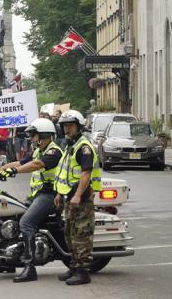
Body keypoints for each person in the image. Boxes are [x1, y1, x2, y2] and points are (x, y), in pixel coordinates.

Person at [0, 118, 63, 282]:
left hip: (50, 196)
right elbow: (20, 162)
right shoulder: (37, 150)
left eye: (33, 135)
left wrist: (13, 171)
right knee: (11, 213)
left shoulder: (54, 152)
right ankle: (7, 260)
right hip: (37, 196)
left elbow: (36, 165)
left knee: (26, 223)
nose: (31, 138)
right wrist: (0, 169)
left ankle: (29, 267)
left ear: (44, 135)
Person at [54, 110, 101, 286]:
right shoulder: (70, 145)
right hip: (69, 196)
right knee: (70, 234)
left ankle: (82, 272)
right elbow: (64, 172)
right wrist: (60, 193)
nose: (67, 129)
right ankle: (74, 267)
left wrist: (78, 195)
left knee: (81, 235)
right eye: (65, 126)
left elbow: (86, 173)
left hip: (81, 198)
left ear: (79, 126)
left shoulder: (83, 147)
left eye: (70, 125)